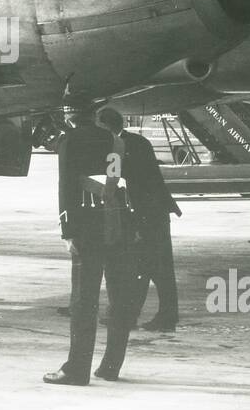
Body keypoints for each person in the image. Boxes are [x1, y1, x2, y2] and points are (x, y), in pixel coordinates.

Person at [44, 91, 137, 385]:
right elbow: (115, 183)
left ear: (70, 114)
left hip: (86, 226)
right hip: (115, 224)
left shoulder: (70, 141)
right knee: (119, 296)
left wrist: (67, 230)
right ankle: (111, 366)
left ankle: (77, 368)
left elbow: (67, 187)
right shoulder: (114, 141)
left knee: (84, 300)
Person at [97, 107, 182, 333]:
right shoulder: (139, 141)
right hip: (156, 210)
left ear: (105, 126)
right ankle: (153, 315)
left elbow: (113, 179)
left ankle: (142, 316)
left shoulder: (115, 147)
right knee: (155, 266)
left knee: (145, 266)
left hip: (142, 212)